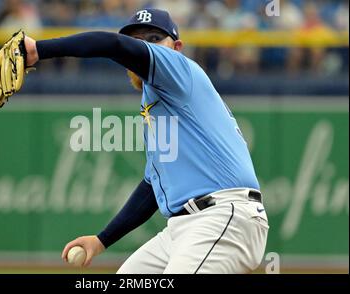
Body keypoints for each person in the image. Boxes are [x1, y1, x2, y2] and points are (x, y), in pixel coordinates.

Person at [23, 8, 269, 274]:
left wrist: (37, 50)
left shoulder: (179, 70)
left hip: (221, 218)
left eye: (153, 38)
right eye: (135, 40)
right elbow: (152, 186)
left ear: (176, 47)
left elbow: (112, 44)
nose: (141, 46)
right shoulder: (158, 104)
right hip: (182, 228)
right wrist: (102, 240)